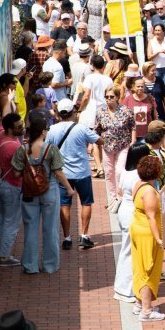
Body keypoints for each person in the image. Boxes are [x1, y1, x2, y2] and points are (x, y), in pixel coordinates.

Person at [47, 98, 103, 250]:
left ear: (58, 113)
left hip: (62, 174)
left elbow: (47, 148)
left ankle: (67, 237)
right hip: (82, 172)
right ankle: (84, 235)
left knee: (64, 204)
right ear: (73, 112)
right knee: (86, 202)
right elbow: (100, 141)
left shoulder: (53, 129)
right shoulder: (81, 128)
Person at [114, 143, 153, 304]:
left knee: (126, 250)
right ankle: (128, 290)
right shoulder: (138, 175)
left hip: (124, 211)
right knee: (131, 253)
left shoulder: (125, 172)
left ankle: (122, 288)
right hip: (133, 213)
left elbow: (120, 191)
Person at [130, 155, 165, 321]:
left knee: (139, 267)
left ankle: (139, 303)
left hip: (137, 229)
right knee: (148, 269)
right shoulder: (150, 191)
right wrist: (159, 238)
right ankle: (146, 310)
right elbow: (151, 217)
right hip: (147, 234)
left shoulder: (139, 185)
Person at [0, 114, 27, 269]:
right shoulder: (14, 147)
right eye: (18, 127)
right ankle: (4, 256)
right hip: (12, 186)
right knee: (11, 222)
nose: (22, 128)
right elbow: (20, 169)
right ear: (10, 129)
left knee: (1, 219)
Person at [95, 85, 135, 206]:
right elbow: (97, 129)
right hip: (107, 146)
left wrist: (133, 140)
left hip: (123, 144)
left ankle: (120, 195)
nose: (108, 99)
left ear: (117, 97)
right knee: (109, 172)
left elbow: (133, 126)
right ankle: (112, 198)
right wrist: (93, 144)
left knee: (119, 171)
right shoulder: (100, 111)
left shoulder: (125, 111)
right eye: (106, 97)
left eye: (111, 97)